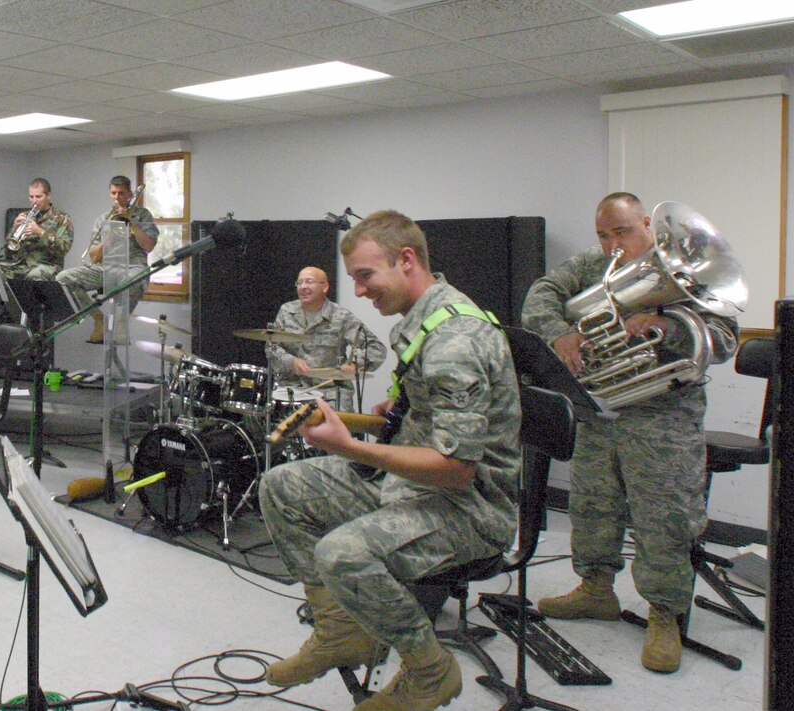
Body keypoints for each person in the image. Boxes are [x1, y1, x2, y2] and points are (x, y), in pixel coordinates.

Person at [260, 210, 521, 710]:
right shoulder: (427, 316)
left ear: (406, 261)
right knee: (280, 487)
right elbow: (427, 423)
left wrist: (349, 446)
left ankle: (428, 670)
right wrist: (382, 418)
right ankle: (341, 631)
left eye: (364, 276)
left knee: (343, 553)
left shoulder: (453, 340)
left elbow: (457, 468)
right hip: (415, 487)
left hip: (470, 508)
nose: (357, 291)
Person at [521, 192, 739, 674]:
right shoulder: (590, 266)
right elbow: (539, 295)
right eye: (603, 234)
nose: (612, 243)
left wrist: (666, 325)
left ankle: (665, 614)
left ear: (646, 223)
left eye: (621, 231)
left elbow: (724, 339)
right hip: (602, 411)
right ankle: (596, 589)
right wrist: (560, 331)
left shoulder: (688, 273)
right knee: (592, 504)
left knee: (663, 517)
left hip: (663, 417)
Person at [267, 265, 387, 412]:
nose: (303, 287)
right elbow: (271, 347)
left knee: (339, 421)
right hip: (292, 388)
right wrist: (291, 361)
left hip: (330, 392)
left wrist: (355, 364)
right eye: (300, 283)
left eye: (309, 282)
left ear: (324, 287)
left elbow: (375, 348)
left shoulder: (341, 316)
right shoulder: (286, 311)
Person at [56, 175, 158, 344]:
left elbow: (149, 246)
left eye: (121, 193)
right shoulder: (103, 219)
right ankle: (98, 318)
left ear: (130, 194)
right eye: (113, 193)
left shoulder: (143, 215)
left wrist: (131, 222)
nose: (117, 197)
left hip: (132, 265)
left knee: (134, 279)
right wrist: (110, 236)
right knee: (63, 278)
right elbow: (94, 257)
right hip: (105, 267)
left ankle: (121, 324)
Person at [0, 178, 74, 281]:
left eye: (38, 197)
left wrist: (40, 232)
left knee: (34, 276)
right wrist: (15, 228)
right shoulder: (25, 215)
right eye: (31, 197)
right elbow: (10, 248)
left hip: (48, 265)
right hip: (21, 264)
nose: (34, 201)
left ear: (48, 195)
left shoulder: (62, 218)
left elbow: (63, 248)